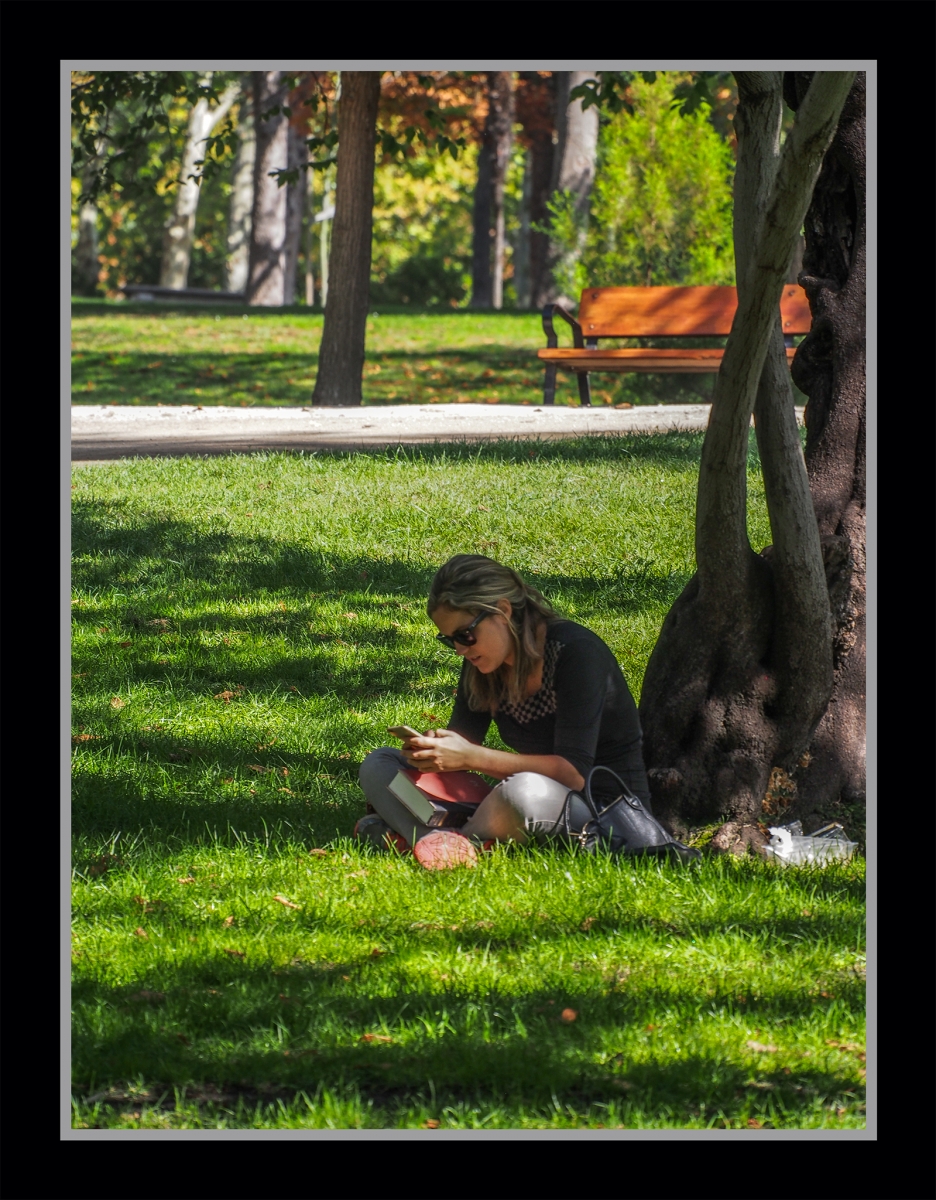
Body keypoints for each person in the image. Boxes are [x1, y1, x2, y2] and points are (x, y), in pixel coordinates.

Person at [356, 554, 653, 869]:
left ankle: (435, 838)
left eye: (464, 635)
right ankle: (438, 840)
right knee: (381, 763)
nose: (459, 649)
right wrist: (435, 750)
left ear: (503, 612)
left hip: (599, 808)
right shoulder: (483, 661)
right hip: (514, 801)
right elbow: (463, 739)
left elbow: (573, 774)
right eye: (449, 640)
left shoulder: (576, 653)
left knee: (524, 791)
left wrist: (469, 756)